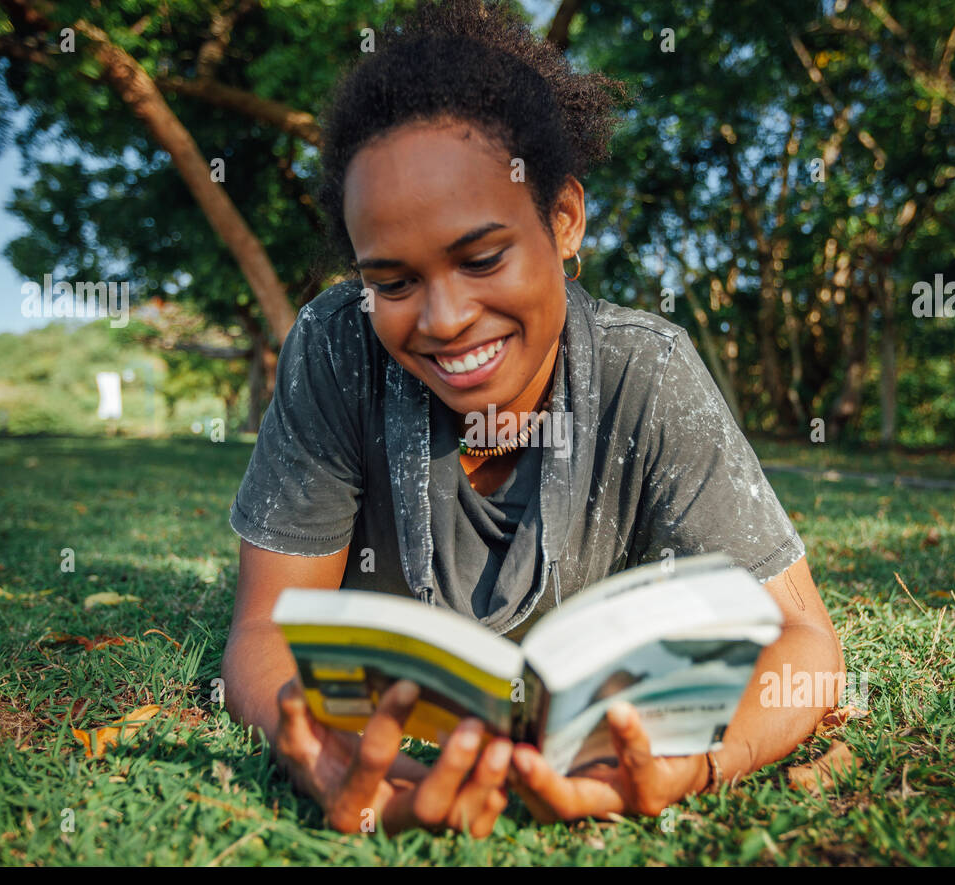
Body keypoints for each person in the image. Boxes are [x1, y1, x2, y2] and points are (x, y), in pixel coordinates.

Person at [221, 0, 843, 838]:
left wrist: (692, 767)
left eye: (482, 259)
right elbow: (263, 627)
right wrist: (325, 757)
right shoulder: (338, 350)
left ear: (564, 218)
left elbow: (805, 644)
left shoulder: (646, 372)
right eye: (394, 283)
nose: (442, 319)